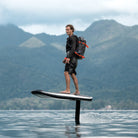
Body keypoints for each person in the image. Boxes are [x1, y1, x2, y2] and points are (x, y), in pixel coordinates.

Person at [60, 24, 80, 95]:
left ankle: (68, 90)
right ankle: (77, 91)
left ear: (72, 30)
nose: (66, 31)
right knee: (72, 74)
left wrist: (68, 57)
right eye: (66, 30)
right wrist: (66, 58)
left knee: (66, 72)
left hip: (72, 59)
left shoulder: (73, 38)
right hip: (72, 58)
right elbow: (69, 50)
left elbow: (73, 48)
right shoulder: (70, 38)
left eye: (68, 29)